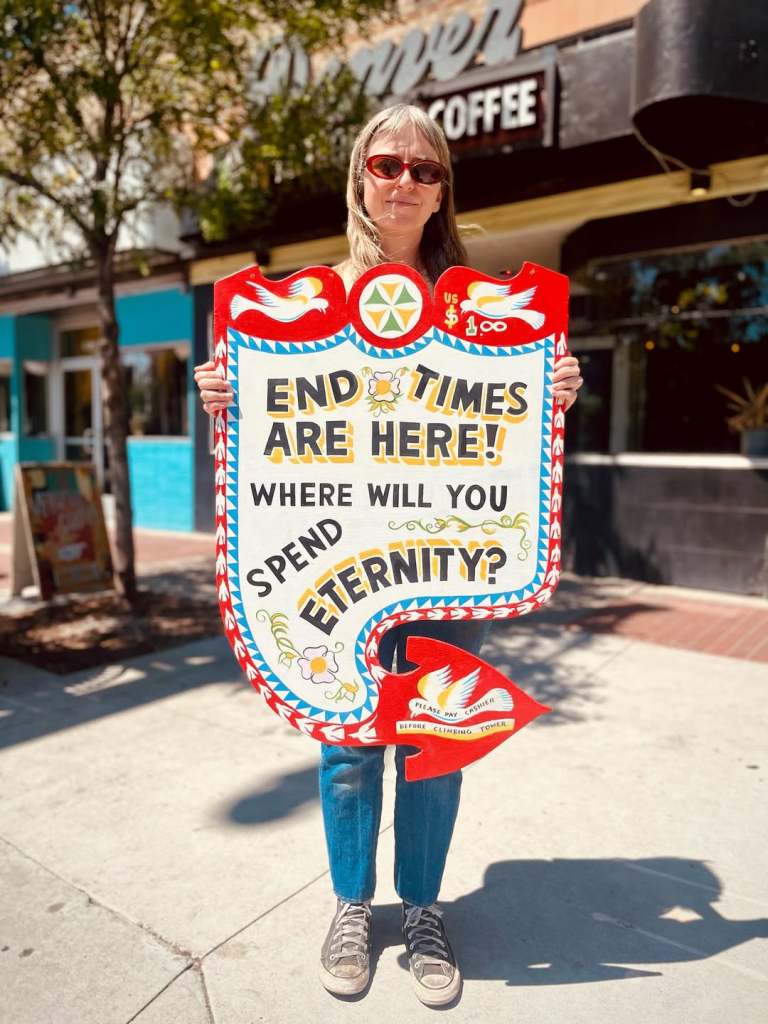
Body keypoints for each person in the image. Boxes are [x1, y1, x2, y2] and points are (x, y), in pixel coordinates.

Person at [194, 103, 582, 1006]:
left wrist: (551, 391)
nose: (403, 181)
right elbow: (269, 435)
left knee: (434, 739)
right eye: (386, 164)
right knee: (348, 745)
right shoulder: (297, 304)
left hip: (445, 567)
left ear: (444, 189)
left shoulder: (489, 311)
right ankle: (350, 906)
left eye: (424, 169)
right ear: (359, 178)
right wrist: (228, 393)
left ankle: (424, 908)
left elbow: (509, 428)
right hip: (336, 567)